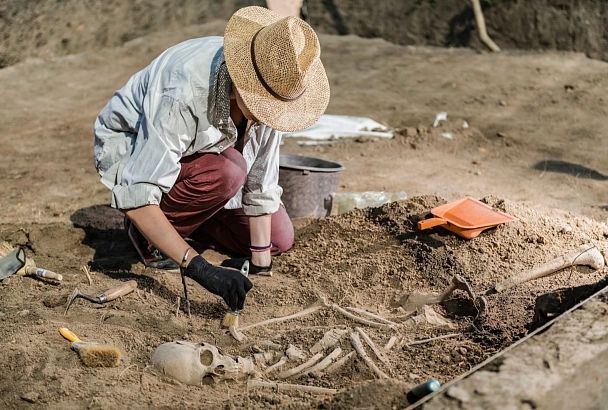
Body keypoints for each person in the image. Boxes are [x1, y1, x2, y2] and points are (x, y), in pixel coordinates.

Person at [93, 6, 330, 312]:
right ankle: (148, 237)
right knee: (229, 171)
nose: (270, 117)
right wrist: (200, 268)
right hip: (132, 150)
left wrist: (260, 263)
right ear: (240, 89)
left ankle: (193, 216)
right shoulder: (184, 91)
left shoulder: (276, 85)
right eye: (265, 106)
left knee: (279, 239)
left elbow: (260, 183)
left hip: (203, 161)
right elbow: (137, 194)